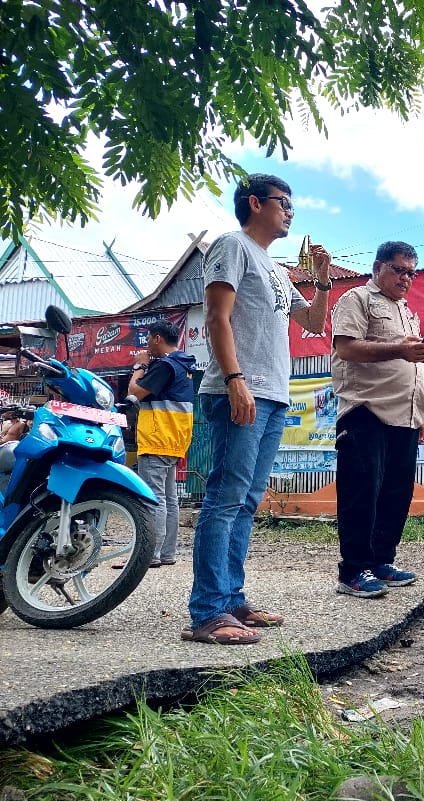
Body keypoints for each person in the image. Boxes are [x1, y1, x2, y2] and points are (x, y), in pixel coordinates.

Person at [186, 173, 333, 645]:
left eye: (292, 205)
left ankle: (231, 599)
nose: (290, 212)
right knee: (226, 497)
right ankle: (208, 611)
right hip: (238, 389)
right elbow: (216, 317)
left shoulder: (274, 266)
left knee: (246, 500)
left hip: (271, 394)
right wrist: (235, 380)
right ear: (254, 204)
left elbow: (310, 321)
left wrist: (323, 282)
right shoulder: (231, 246)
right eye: (282, 203)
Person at [330, 241, 424, 598]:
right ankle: (353, 570)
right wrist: (400, 349)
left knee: (395, 493)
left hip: (405, 416)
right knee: (362, 493)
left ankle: (381, 561)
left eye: (411, 273)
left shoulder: (406, 310)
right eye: (399, 270)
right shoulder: (357, 299)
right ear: (378, 268)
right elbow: (346, 347)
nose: (406, 278)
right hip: (366, 411)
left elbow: (412, 366)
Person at [127, 320, 197, 568]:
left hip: (157, 438)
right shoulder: (183, 365)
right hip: (174, 439)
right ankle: (167, 553)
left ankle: (151, 555)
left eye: (148, 340)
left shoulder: (164, 365)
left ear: (157, 338)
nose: (147, 346)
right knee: (169, 498)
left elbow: (134, 392)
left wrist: (140, 365)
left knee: (153, 498)